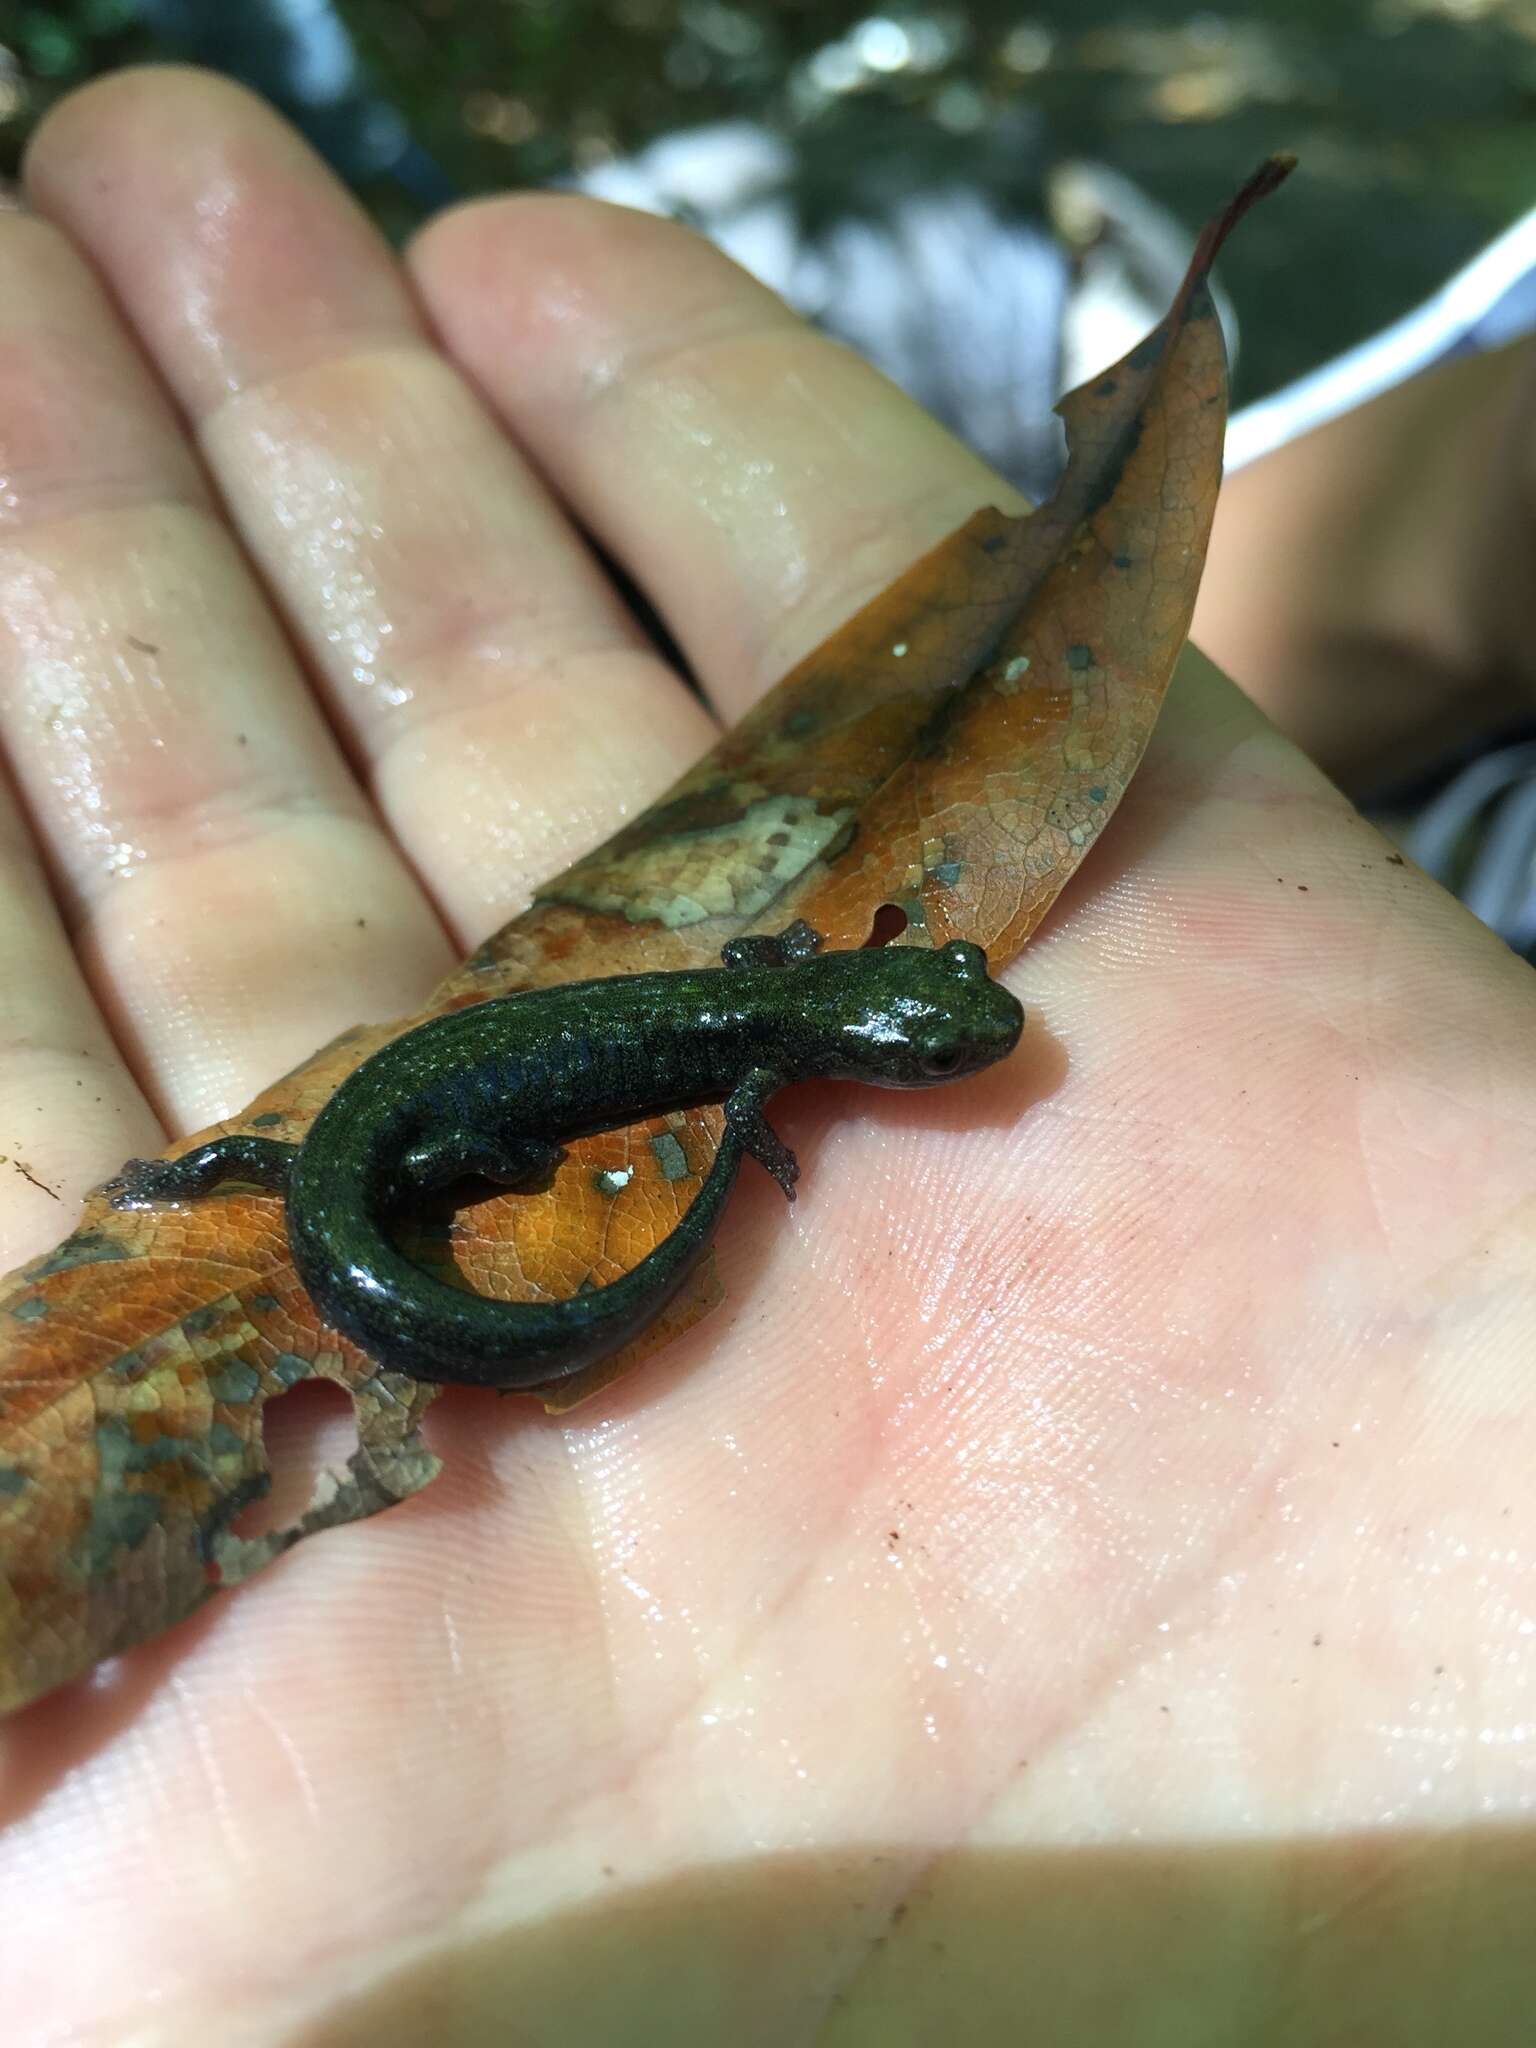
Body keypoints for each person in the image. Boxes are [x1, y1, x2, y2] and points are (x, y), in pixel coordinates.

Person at [0, 68, 1530, 2044]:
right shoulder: (770, 1058)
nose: (958, 1049)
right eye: (942, 1040)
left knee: (466, 1159)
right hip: (402, 1150)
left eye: (942, 1041)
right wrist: (712, 1161)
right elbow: (738, 1072)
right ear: (871, 1057)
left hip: (412, 1133)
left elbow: (765, 1029)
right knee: (452, 1181)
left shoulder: (791, 1017)